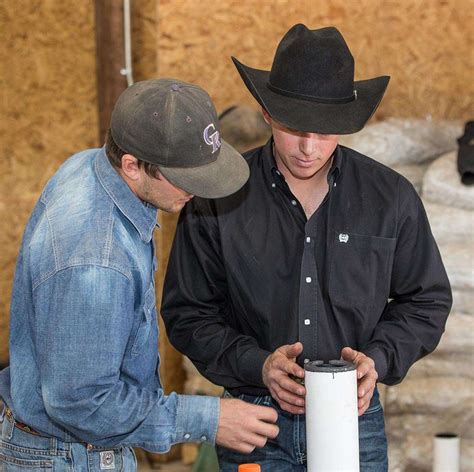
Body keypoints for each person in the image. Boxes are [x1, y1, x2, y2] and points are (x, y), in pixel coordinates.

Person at [161, 25, 452, 471]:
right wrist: (258, 366)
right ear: (267, 113)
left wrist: (378, 359)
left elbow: (426, 300)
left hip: (354, 423)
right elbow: (187, 311)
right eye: (295, 127)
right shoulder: (216, 200)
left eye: (326, 130)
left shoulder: (390, 197)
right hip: (253, 420)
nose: (308, 147)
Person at [0, 79, 279, 471]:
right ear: (132, 165)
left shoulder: (89, 167)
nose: (196, 193)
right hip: (67, 457)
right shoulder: (97, 261)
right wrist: (207, 419)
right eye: (185, 178)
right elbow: (79, 401)